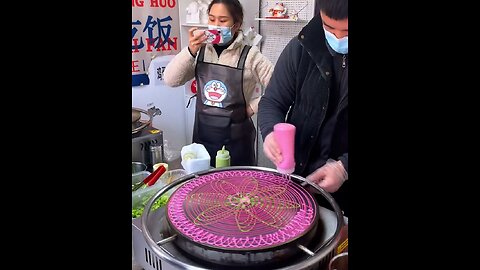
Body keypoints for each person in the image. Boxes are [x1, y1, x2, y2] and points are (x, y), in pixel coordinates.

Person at [258, 0, 349, 215]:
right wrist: (270, 131)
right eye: (329, 27)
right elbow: (272, 101)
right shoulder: (303, 47)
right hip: (298, 180)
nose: (337, 38)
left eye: (346, 31)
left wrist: (343, 168)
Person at [164, 0, 274, 167]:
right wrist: (190, 50)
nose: (215, 25)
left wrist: (253, 107)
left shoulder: (250, 55)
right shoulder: (200, 50)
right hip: (203, 140)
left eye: (222, 21)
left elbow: (279, 87)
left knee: (237, 190)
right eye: (211, 19)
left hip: (237, 143)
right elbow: (171, 80)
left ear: (236, 25)